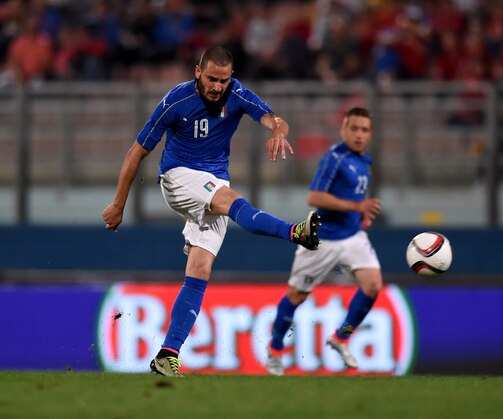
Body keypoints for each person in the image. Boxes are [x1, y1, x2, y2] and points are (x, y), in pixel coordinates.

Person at [102, 46, 320, 377]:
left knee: (200, 270)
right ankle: (295, 232)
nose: (218, 87)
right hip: (178, 178)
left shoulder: (237, 93)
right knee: (232, 200)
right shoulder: (176, 101)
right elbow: (135, 153)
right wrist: (119, 203)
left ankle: (167, 354)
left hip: (213, 181)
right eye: (212, 79)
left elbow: (274, 118)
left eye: (224, 80)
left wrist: (278, 130)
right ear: (197, 73)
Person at [266, 107, 382, 376]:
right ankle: (274, 349)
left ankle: (341, 338)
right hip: (322, 239)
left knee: (373, 286)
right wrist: (356, 206)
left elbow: (355, 198)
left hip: (352, 236)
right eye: (354, 128)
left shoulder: (365, 161)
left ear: (370, 134)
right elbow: (315, 197)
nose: (359, 134)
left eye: (365, 130)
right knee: (297, 295)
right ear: (343, 129)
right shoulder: (334, 158)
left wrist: (361, 215)